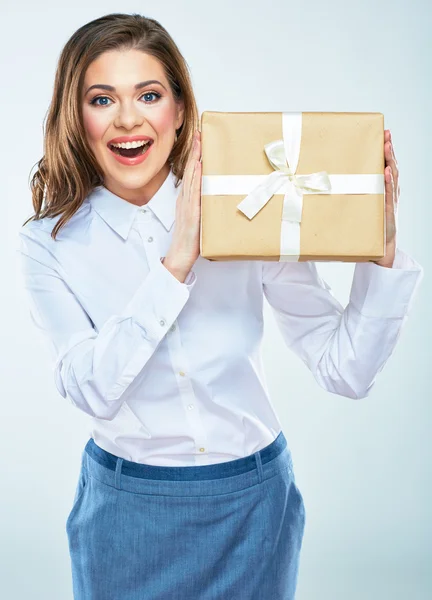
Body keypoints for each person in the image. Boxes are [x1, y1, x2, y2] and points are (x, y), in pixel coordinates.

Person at [17, 12, 424, 600]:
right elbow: (89, 388)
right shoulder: (48, 242)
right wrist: (176, 262)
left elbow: (346, 371)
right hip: (126, 511)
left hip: (254, 504)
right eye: (102, 98)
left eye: (149, 95)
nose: (128, 119)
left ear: (180, 112)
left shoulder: (251, 208)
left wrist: (380, 254)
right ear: (74, 117)